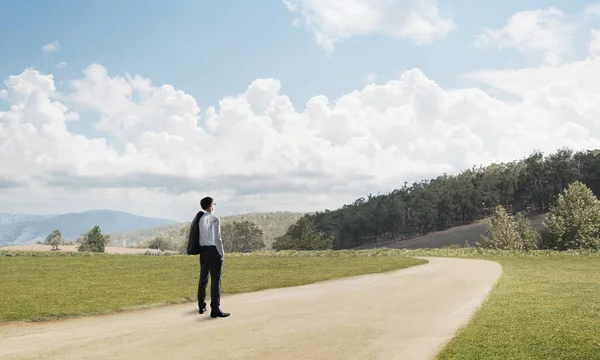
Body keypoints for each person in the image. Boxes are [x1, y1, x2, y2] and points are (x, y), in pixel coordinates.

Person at [197, 196, 230, 318]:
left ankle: (201, 305)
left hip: (203, 251)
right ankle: (215, 309)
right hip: (213, 251)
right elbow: (217, 238)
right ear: (211, 205)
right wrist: (221, 252)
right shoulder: (214, 219)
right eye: (214, 203)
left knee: (203, 279)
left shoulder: (200, 219)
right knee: (216, 281)